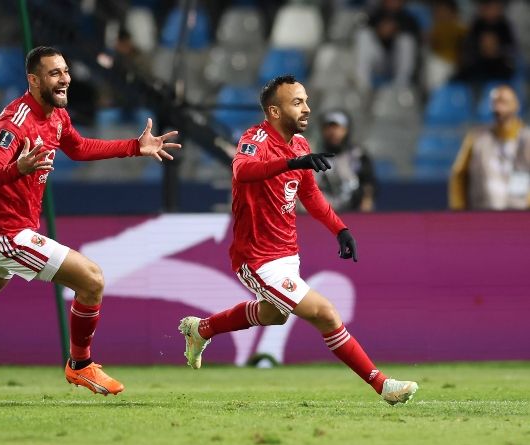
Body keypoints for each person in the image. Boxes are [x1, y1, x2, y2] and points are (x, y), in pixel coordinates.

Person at [0, 46, 181, 398]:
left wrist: (134, 146)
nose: (65, 78)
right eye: (55, 73)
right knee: (92, 280)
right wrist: (19, 168)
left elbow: (80, 147)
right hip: (9, 233)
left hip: (10, 229)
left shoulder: (56, 116)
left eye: (66, 70)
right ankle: (80, 365)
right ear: (33, 79)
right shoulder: (14, 122)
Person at [178, 75, 418, 405]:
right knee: (326, 313)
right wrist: (289, 162)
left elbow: (310, 195)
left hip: (288, 254)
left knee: (274, 314)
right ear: (274, 111)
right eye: (297, 102)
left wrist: (340, 229)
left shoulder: (301, 144)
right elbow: (242, 171)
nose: (307, 108)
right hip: (257, 258)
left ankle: (201, 329)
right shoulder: (255, 138)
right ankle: (383, 385)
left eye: (305, 101)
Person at [449, 85, 530, 210]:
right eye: (495, 102)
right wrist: (458, 209)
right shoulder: (477, 138)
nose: (498, 108)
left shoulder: (527, 138)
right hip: (484, 212)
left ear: (515, 105)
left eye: (503, 102)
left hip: (520, 213)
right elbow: (459, 174)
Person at [315, 109, 376, 212]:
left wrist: (367, 200)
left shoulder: (358, 155)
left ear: (346, 130)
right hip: (323, 215)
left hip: (353, 214)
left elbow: (369, 183)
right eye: (328, 128)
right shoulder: (312, 158)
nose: (333, 132)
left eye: (337, 127)